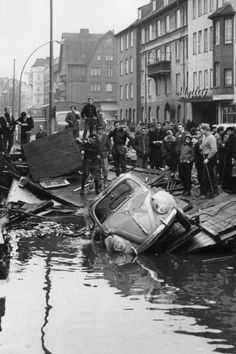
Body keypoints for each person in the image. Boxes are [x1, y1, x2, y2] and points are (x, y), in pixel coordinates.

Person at [200, 123, 218, 198]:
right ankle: (206, 191)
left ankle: (215, 191)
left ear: (205, 129)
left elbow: (214, 150)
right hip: (205, 156)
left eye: (201, 129)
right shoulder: (204, 136)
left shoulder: (211, 137)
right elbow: (204, 145)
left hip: (210, 157)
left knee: (211, 175)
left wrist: (208, 158)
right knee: (205, 175)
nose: (200, 130)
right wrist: (201, 146)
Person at [221, 127, 236, 193]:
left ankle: (232, 188)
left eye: (229, 131)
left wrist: (233, 158)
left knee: (232, 174)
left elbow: (234, 148)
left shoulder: (234, 138)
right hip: (228, 158)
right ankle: (228, 186)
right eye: (227, 131)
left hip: (231, 158)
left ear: (232, 131)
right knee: (228, 173)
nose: (228, 132)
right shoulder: (229, 137)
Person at [96, 124, 111, 188]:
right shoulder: (93, 137)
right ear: (97, 131)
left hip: (104, 155)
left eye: (102, 130)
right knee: (98, 169)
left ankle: (105, 182)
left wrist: (110, 153)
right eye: (99, 130)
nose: (101, 131)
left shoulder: (105, 136)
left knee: (105, 169)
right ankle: (99, 182)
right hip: (96, 156)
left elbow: (109, 145)